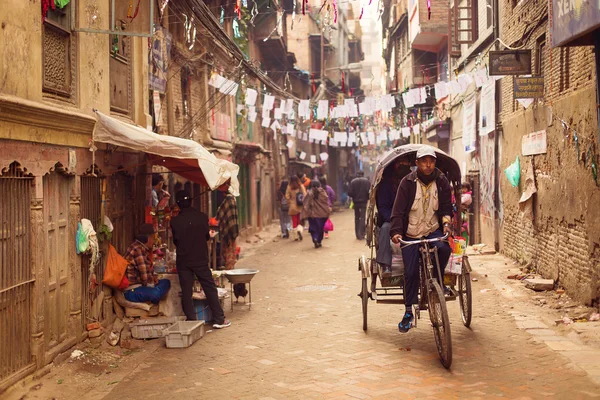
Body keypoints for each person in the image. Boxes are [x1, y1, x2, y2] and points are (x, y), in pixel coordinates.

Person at [390, 147, 452, 333]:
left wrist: (447, 224)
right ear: (416, 163)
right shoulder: (407, 183)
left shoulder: (441, 181)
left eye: (431, 161)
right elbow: (398, 210)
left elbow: (447, 208)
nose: (428, 164)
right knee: (410, 272)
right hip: (411, 233)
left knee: (444, 249)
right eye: (424, 161)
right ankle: (409, 310)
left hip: (432, 229)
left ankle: (437, 282)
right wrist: (396, 232)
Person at [170, 190, 230, 328]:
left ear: (178, 204)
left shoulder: (175, 221)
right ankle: (219, 319)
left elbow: (176, 241)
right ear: (191, 202)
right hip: (200, 258)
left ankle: (191, 320)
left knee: (186, 290)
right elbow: (206, 236)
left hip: (184, 260)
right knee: (209, 287)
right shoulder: (202, 217)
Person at [376, 160, 411, 277]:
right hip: (391, 219)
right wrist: (394, 220)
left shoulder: (413, 181)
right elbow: (383, 207)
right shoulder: (386, 185)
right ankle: (386, 265)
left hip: (412, 219)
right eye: (402, 165)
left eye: (407, 166)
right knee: (386, 228)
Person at [123, 224, 171, 304]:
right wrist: (152, 284)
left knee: (166, 282)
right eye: (152, 238)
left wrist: (153, 279)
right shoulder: (138, 250)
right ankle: (153, 295)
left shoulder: (140, 248)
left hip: (140, 286)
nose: (153, 241)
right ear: (147, 239)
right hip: (132, 290)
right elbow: (146, 280)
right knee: (155, 294)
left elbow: (147, 275)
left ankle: (153, 293)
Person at [302, 180, 330, 248]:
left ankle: (315, 238)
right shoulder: (323, 193)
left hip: (312, 214)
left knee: (313, 228)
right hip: (322, 214)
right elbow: (326, 202)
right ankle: (319, 241)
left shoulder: (309, 193)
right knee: (320, 229)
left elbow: (304, 202)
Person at [216, 192, 239, 270]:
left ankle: (229, 269)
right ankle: (230, 269)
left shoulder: (227, 201)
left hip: (228, 231)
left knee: (227, 251)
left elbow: (219, 214)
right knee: (230, 251)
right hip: (232, 230)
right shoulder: (233, 200)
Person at [348, 170, 371, 240]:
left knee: (357, 217)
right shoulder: (367, 181)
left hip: (356, 202)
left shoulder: (353, 182)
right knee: (363, 217)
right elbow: (369, 192)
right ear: (363, 174)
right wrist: (367, 198)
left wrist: (354, 197)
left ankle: (357, 234)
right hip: (364, 202)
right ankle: (362, 233)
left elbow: (350, 192)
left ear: (357, 174)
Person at [286, 175, 307, 241]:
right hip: (300, 206)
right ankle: (299, 231)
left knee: (294, 221)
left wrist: (290, 202)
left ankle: (295, 236)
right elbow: (305, 194)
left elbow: (287, 196)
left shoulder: (289, 187)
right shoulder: (301, 186)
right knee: (300, 221)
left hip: (293, 206)